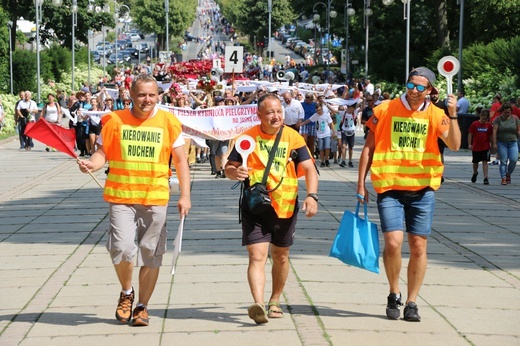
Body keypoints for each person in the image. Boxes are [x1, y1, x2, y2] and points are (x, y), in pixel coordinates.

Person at [77, 74, 191, 327]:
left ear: (158, 96)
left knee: (151, 253)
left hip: (156, 197)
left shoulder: (169, 122)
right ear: (130, 94)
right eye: (141, 94)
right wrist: (91, 165)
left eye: (151, 95)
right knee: (122, 247)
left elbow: (181, 161)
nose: (147, 100)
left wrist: (185, 196)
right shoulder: (115, 121)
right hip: (121, 197)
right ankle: (127, 293)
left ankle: (142, 306)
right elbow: (102, 153)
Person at [357, 67, 461, 322]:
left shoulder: (437, 115)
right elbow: (368, 148)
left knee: (418, 246)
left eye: (419, 87)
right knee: (393, 243)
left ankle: (412, 302)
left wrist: (454, 115)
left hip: (423, 190)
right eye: (410, 85)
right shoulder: (384, 110)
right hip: (390, 187)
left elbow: (456, 144)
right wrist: (360, 184)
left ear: (429, 91)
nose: (414, 91)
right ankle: (394, 291)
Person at [225, 94, 318, 325]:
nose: (276, 116)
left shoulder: (292, 137)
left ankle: (274, 300)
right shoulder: (247, 138)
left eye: (278, 111)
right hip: (255, 206)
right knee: (257, 256)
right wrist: (234, 173)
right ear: (259, 115)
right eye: (270, 112)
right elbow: (229, 166)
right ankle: (258, 304)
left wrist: (312, 196)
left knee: (281, 257)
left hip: (285, 206)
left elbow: (309, 168)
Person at [492, 102, 520, 185]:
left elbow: (518, 130)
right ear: (502, 111)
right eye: (505, 112)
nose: (507, 114)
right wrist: (494, 143)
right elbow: (494, 131)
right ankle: (503, 177)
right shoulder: (498, 119)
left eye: (509, 112)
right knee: (503, 161)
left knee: (513, 160)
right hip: (501, 142)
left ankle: (508, 174)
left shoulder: (515, 118)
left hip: (513, 142)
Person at [468, 109, 492, 185]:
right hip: (476, 147)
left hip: (485, 146)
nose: (484, 121)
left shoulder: (488, 126)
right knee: (475, 162)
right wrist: (469, 144)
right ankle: (475, 172)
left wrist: (492, 144)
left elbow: (490, 135)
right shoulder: (475, 124)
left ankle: (485, 177)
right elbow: (470, 134)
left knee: (485, 161)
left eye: (486, 119)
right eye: (483, 119)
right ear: (480, 116)